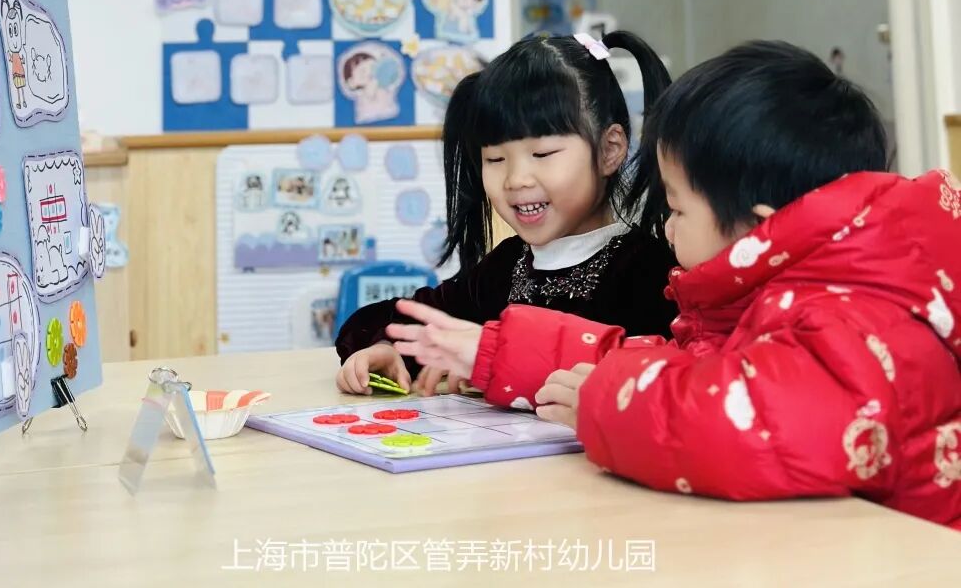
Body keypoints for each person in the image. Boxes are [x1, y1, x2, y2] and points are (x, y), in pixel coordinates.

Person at [389, 42, 961, 529]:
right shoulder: (781, 295)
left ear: (757, 228)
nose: (665, 227)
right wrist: (498, 352)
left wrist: (601, 402)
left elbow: (732, 428)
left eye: (679, 209)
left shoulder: (852, 317)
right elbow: (683, 369)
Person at [336, 29, 677, 396]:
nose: (515, 179)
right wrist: (390, 348)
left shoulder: (651, 271)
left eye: (542, 154)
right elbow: (394, 319)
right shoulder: (506, 266)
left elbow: (652, 383)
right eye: (495, 159)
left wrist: (492, 357)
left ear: (609, 150)